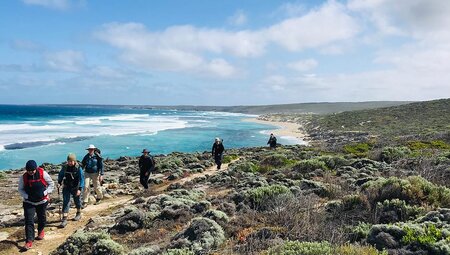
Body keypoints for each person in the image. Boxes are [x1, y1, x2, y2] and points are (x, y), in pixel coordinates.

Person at [18, 160, 54, 250]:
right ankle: (29, 241)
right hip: (29, 202)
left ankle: (41, 230)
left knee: (41, 217)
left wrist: (45, 192)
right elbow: (20, 189)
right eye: (29, 170)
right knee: (29, 221)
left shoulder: (42, 173)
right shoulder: (24, 177)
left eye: (32, 170)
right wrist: (26, 196)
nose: (31, 172)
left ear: (36, 169)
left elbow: (51, 184)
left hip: (42, 201)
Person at [58, 153, 84, 228]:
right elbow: (61, 175)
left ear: (74, 161)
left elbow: (82, 179)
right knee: (66, 201)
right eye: (68, 161)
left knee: (77, 201)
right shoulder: (65, 167)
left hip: (76, 187)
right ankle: (64, 219)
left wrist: (80, 189)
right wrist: (59, 182)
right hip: (66, 186)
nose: (69, 162)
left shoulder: (78, 168)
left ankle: (78, 213)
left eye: (71, 161)